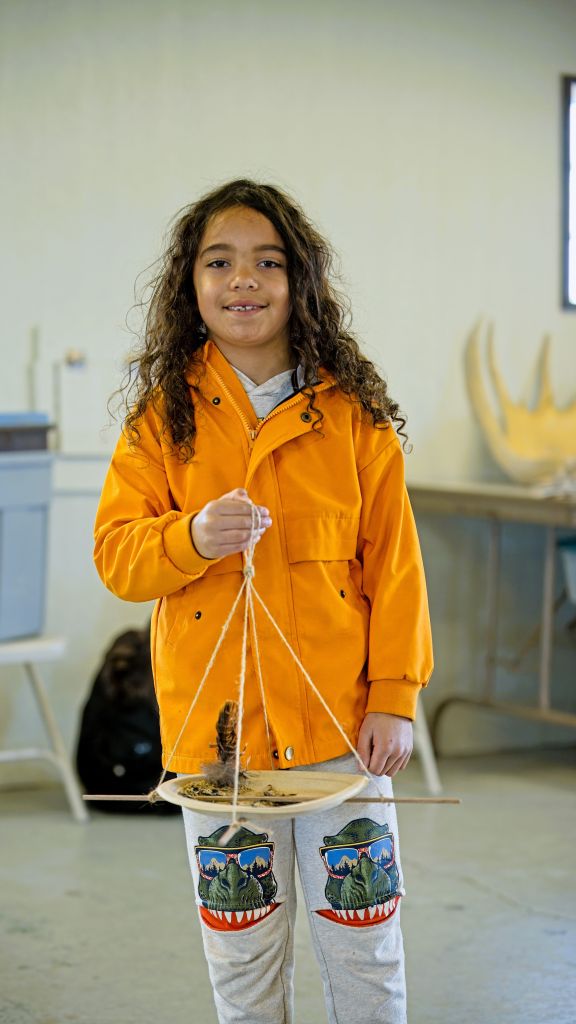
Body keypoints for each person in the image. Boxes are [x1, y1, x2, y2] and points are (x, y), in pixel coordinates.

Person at [94, 179, 433, 1024]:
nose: (242, 279)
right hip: (218, 750)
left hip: (344, 737)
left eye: (267, 262)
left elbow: (396, 566)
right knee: (241, 957)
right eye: (219, 262)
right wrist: (190, 537)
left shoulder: (353, 416)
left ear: (299, 281)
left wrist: (394, 698)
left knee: (366, 945)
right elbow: (117, 559)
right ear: (191, 284)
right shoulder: (161, 419)